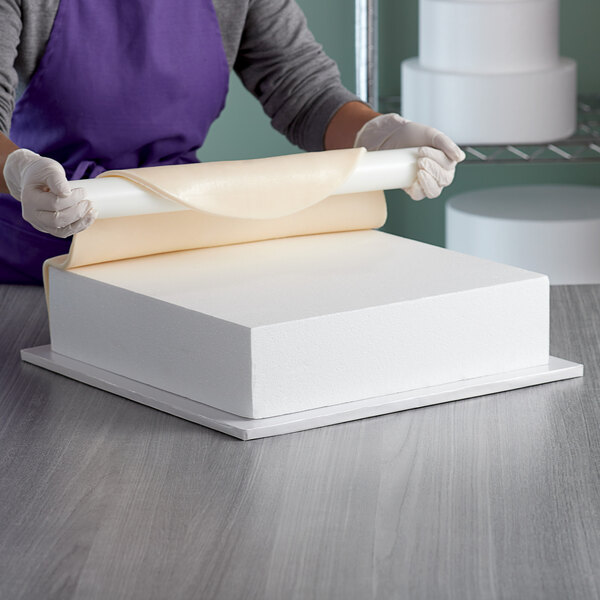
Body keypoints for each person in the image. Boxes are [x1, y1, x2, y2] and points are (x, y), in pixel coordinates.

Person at [0, 0, 464, 284]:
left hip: (173, 236)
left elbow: (302, 89)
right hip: (43, 245)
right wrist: (19, 172)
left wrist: (376, 134)